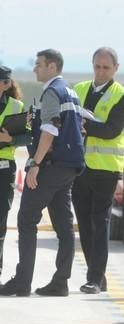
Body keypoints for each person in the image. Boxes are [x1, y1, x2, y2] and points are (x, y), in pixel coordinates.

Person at [0, 49, 84, 297]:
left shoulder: (51, 92)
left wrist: (35, 164)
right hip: (69, 166)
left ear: (52, 66)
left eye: (39, 64)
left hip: (50, 165)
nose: (35, 68)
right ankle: (61, 282)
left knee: (26, 219)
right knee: (63, 226)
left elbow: (50, 131)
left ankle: (22, 282)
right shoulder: (70, 91)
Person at [72, 47, 124, 294]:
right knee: (85, 224)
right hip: (79, 167)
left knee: (100, 222)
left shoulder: (123, 95)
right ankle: (96, 275)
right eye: (97, 66)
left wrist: (85, 126)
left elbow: (112, 130)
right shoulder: (78, 90)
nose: (100, 71)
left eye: (106, 67)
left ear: (115, 68)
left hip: (106, 171)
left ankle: (95, 278)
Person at [0, 66, 31, 285]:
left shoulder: (16, 107)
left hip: (4, 170)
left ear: (6, 84)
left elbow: (28, 138)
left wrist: (10, 139)